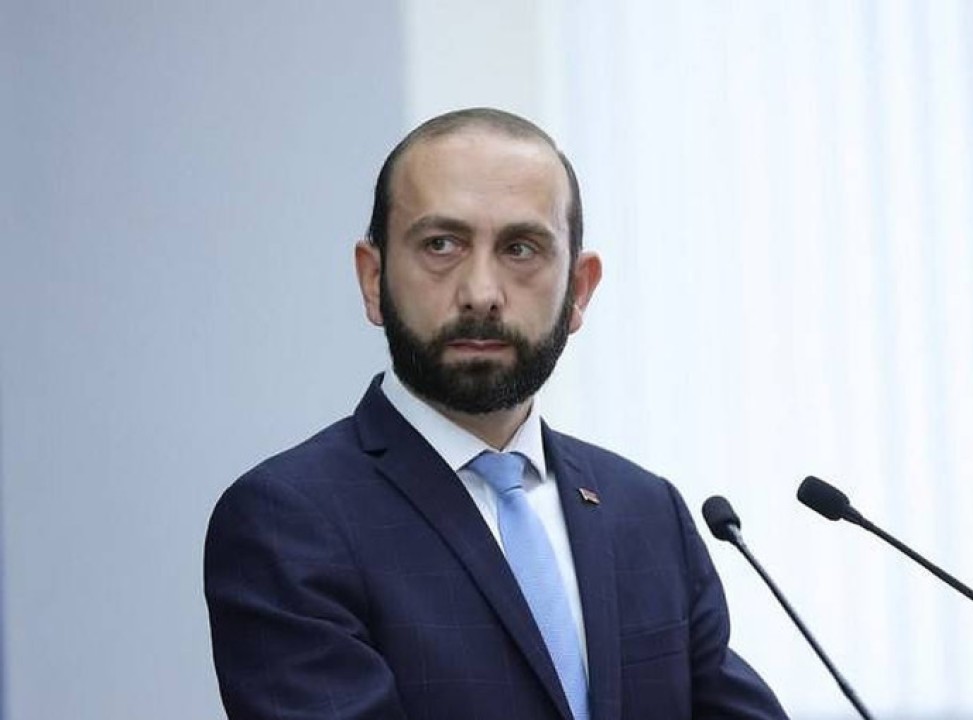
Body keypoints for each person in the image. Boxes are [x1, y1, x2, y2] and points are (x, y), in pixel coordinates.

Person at [204, 107, 788, 720]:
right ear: (374, 279)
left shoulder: (646, 512)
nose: (481, 293)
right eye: (441, 245)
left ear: (578, 290)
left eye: (520, 248)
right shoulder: (290, 521)